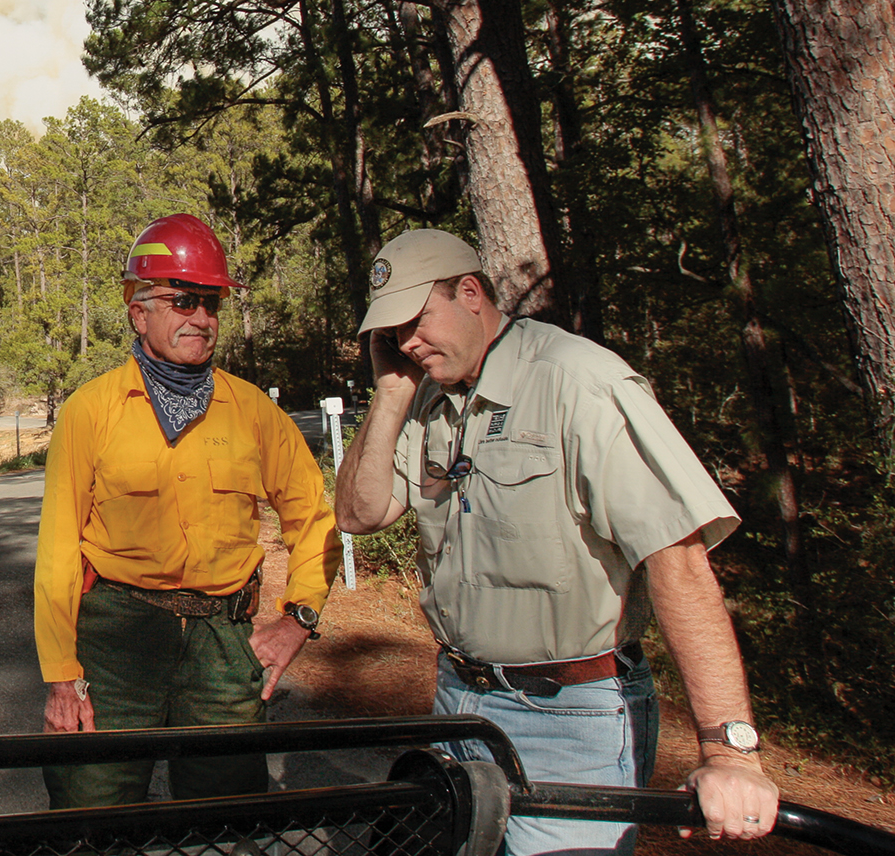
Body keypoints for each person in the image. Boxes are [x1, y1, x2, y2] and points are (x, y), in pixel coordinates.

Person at [334, 229, 779, 855]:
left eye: (416, 320)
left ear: (471, 293)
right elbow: (359, 513)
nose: (407, 342)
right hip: (458, 701)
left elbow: (677, 562)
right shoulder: (430, 399)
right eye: (392, 333)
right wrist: (390, 395)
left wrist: (727, 748)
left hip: (570, 717)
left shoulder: (580, 382)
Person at [34, 213, 343, 808]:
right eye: (182, 301)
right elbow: (57, 553)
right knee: (92, 804)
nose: (201, 318)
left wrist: (297, 619)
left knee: (225, 813)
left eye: (211, 303)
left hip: (223, 644)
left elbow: (314, 519)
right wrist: (60, 674)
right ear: (137, 310)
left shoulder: (251, 411)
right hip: (116, 638)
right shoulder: (91, 410)